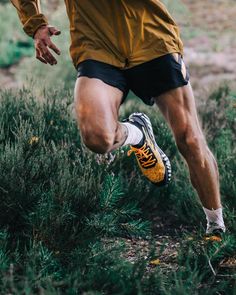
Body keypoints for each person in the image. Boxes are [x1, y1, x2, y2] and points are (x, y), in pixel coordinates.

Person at [11, 0, 225, 235]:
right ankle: (137, 133)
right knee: (97, 137)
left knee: (190, 139)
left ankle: (216, 226)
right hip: (95, 46)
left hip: (151, 40)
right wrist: (35, 24)